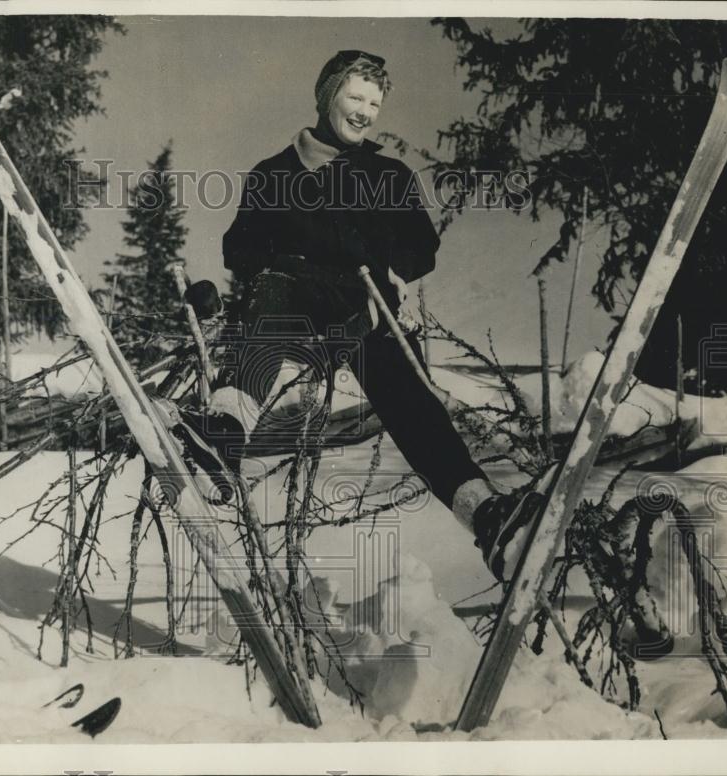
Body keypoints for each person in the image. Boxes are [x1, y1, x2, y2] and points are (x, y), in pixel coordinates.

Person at [182, 50, 670, 654]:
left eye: (374, 104)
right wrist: (250, 277)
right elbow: (240, 247)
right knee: (272, 298)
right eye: (355, 97)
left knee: (411, 403)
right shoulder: (273, 173)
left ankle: (488, 518)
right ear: (326, 94)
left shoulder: (387, 176)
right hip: (297, 306)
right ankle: (225, 434)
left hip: (365, 308)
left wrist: (393, 267)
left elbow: (421, 244)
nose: (365, 112)